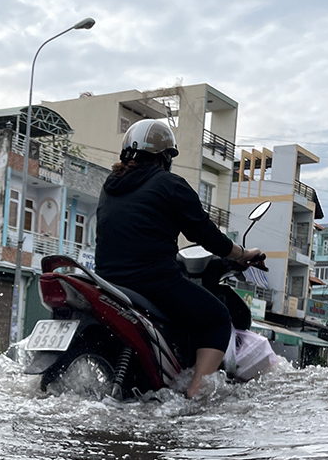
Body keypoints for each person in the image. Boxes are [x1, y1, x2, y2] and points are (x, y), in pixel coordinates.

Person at [95, 120, 263, 397]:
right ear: (166, 157)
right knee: (217, 318)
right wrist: (242, 254)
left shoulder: (110, 186)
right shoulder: (170, 184)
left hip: (107, 282)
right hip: (153, 282)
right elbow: (207, 236)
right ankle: (194, 395)